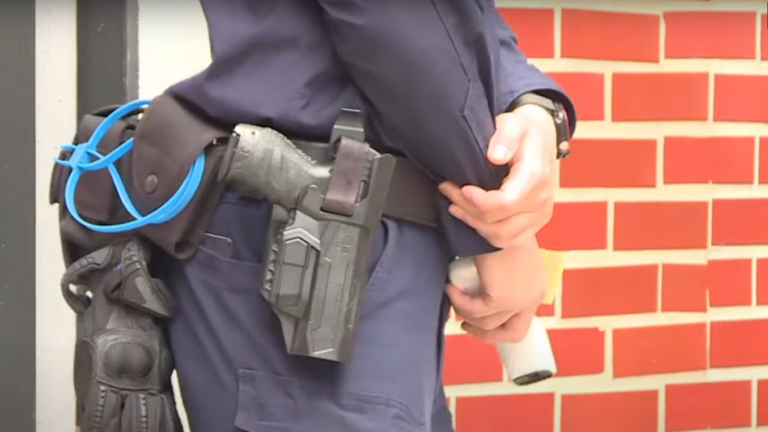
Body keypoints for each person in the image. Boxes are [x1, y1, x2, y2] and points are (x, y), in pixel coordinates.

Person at [157, 1, 576, 431]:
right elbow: (403, 28)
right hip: (316, 231)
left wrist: (530, 103)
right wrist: (498, 231)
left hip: (364, 234)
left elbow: (465, 16)